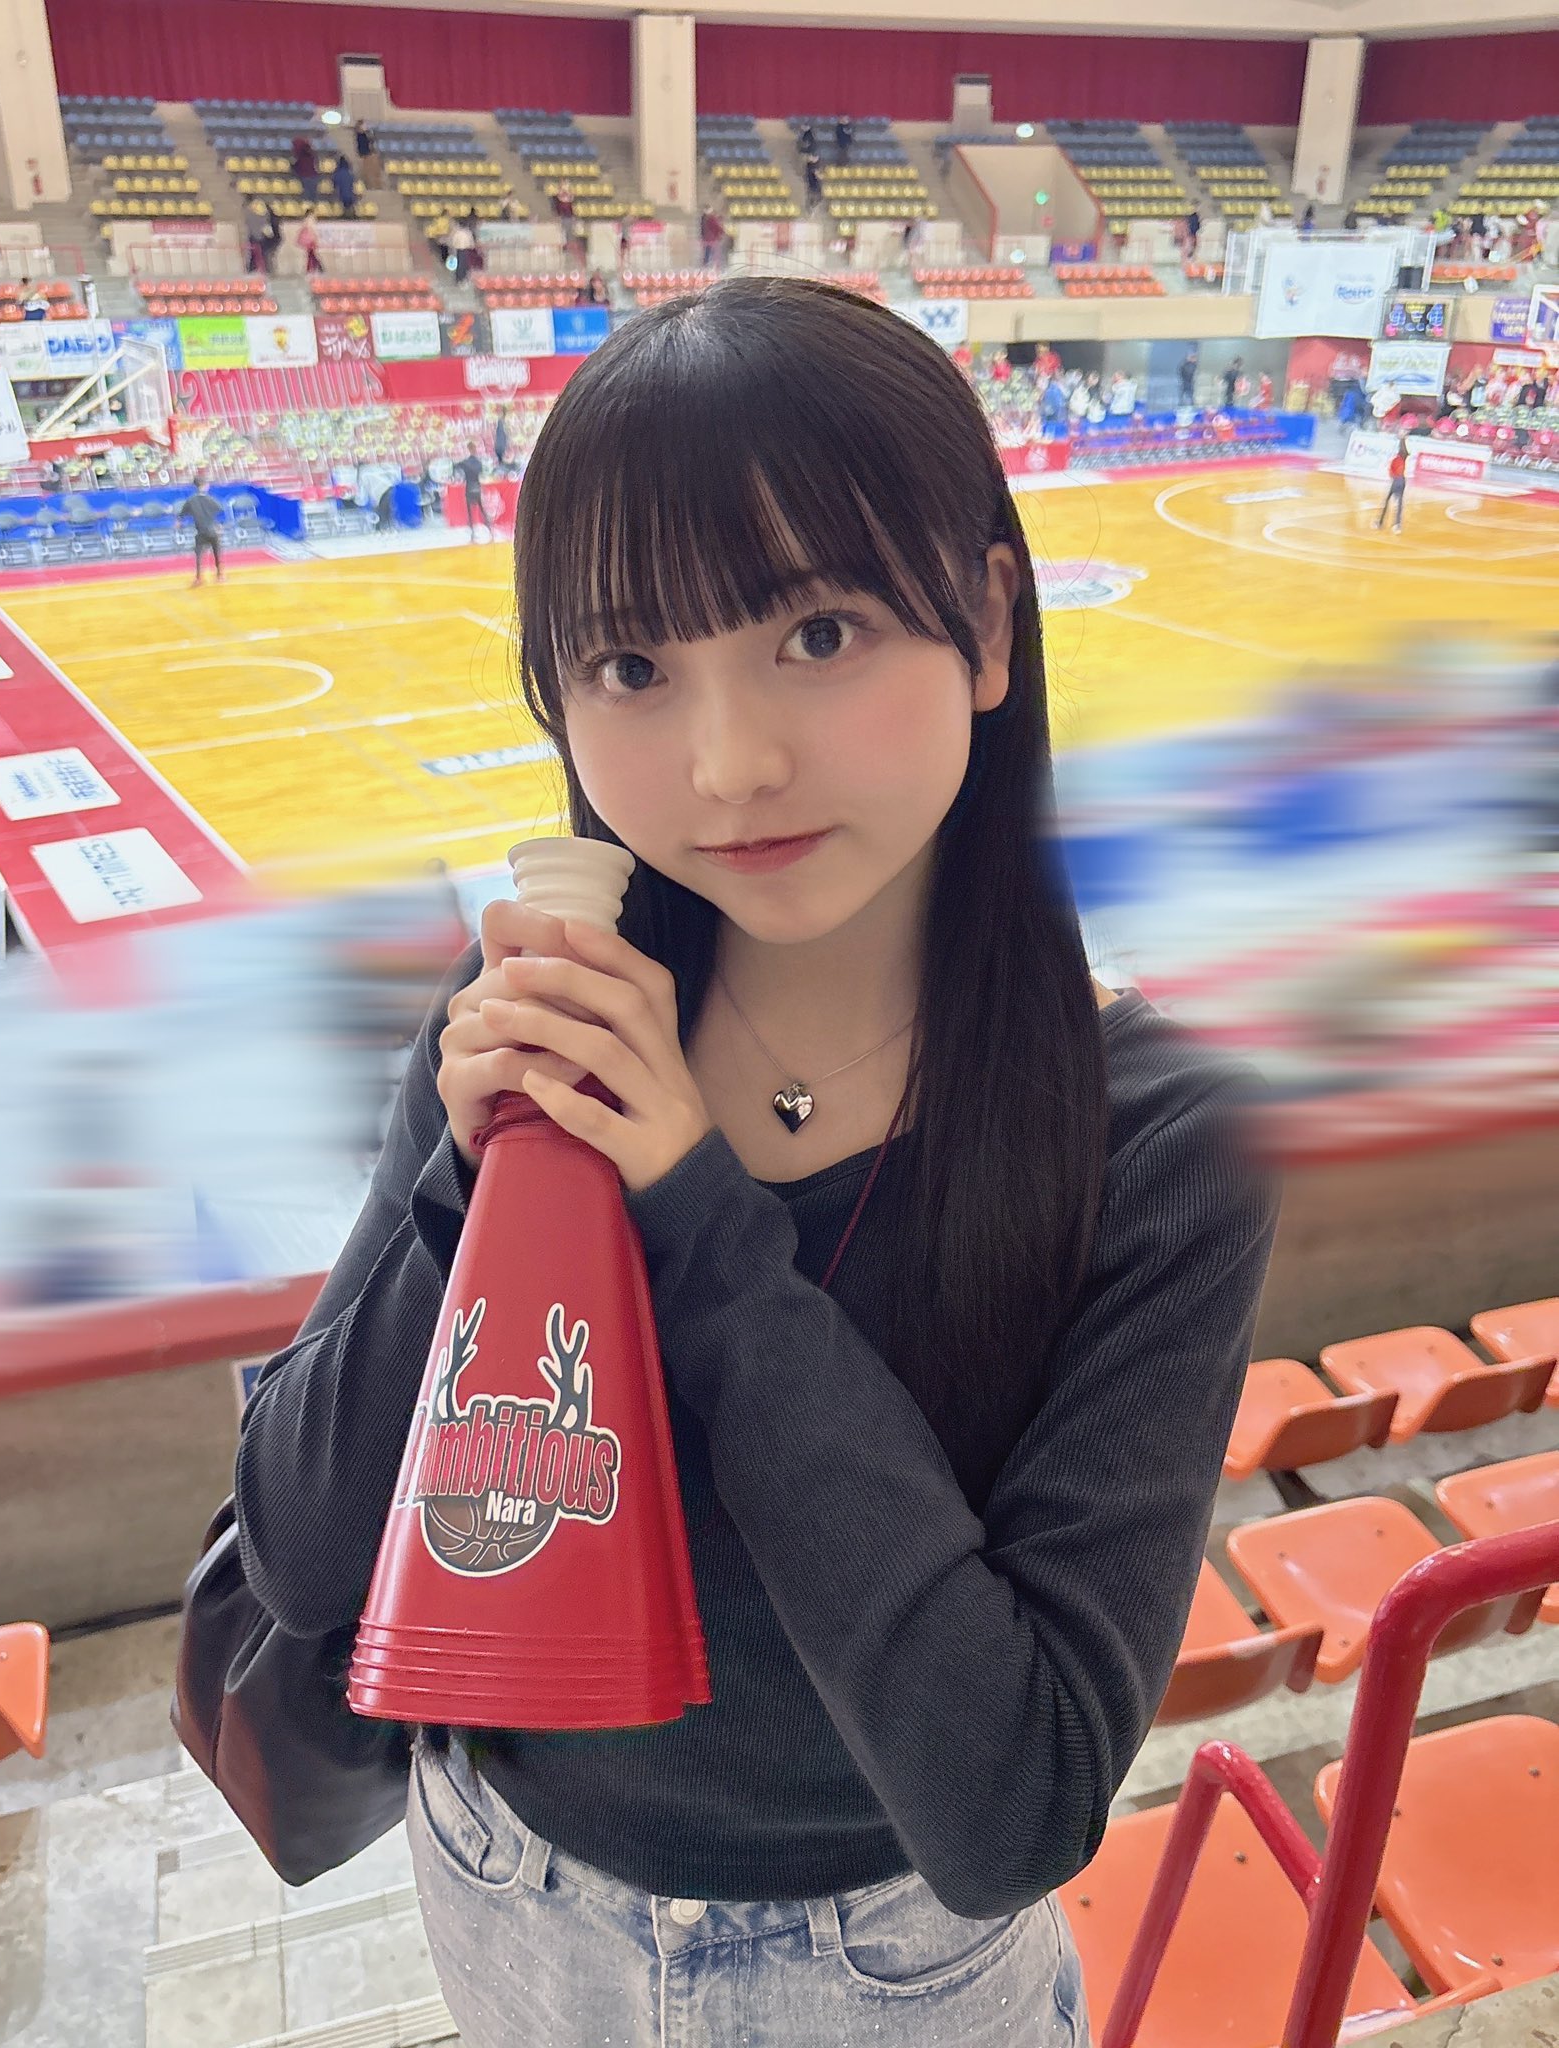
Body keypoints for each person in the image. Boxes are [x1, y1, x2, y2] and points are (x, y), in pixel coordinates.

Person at [225, 275, 1279, 2045]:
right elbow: (303, 1552)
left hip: (889, 1965)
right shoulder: (528, 1028)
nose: (728, 765)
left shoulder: (1156, 1141)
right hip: (503, 1883)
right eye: (632, 668)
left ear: (986, 626)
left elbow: (1011, 1799)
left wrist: (696, 1223)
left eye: (819, 631)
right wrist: (474, 1187)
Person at [178, 472, 224, 586]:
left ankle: (199, 578)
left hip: (201, 531)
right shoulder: (210, 500)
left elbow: (182, 514)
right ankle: (220, 575)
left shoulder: (191, 500)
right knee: (216, 552)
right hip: (212, 530)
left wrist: (179, 522)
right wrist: (219, 525)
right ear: (205, 485)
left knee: (199, 555)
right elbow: (220, 510)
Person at [455, 446, 492, 540]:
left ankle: (472, 533)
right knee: (482, 510)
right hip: (477, 487)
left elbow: (456, 466)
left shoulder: (465, 462)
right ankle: (490, 530)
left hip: (469, 488)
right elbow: (482, 472)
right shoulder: (479, 462)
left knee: (470, 512)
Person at [1375, 431, 1409, 534]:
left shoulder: (1397, 459)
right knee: (1398, 503)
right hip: (1400, 480)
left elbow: (1391, 472)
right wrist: (1402, 439)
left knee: (1389, 501)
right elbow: (1403, 450)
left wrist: (1402, 439)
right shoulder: (1400, 458)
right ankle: (1396, 524)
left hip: (1397, 480)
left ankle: (1381, 522)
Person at [290, 134, 319, 208]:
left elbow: (294, 163)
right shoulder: (311, 153)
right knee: (312, 195)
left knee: (307, 196)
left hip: (305, 175)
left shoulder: (299, 154)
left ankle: (308, 208)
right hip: (313, 175)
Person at [354, 117, 380, 189]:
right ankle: (370, 185)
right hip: (365, 154)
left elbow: (371, 141)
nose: (365, 126)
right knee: (367, 172)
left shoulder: (366, 134)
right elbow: (363, 145)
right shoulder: (360, 135)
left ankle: (374, 185)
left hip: (368, 153)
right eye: (363, 125)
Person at [332, 152, 358, 219]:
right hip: (350, 193)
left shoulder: (337, 174)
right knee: (349, 203)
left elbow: (335, 184)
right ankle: (351, 214)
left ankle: (346, 214)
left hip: (342, 193)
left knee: (345, 203)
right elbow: (353, 181)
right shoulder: (350, 173)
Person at [492, 405, 511, 474]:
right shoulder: (500, 450)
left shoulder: (499, 450)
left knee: (500, 426)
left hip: (500, 442)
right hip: (501, 442)